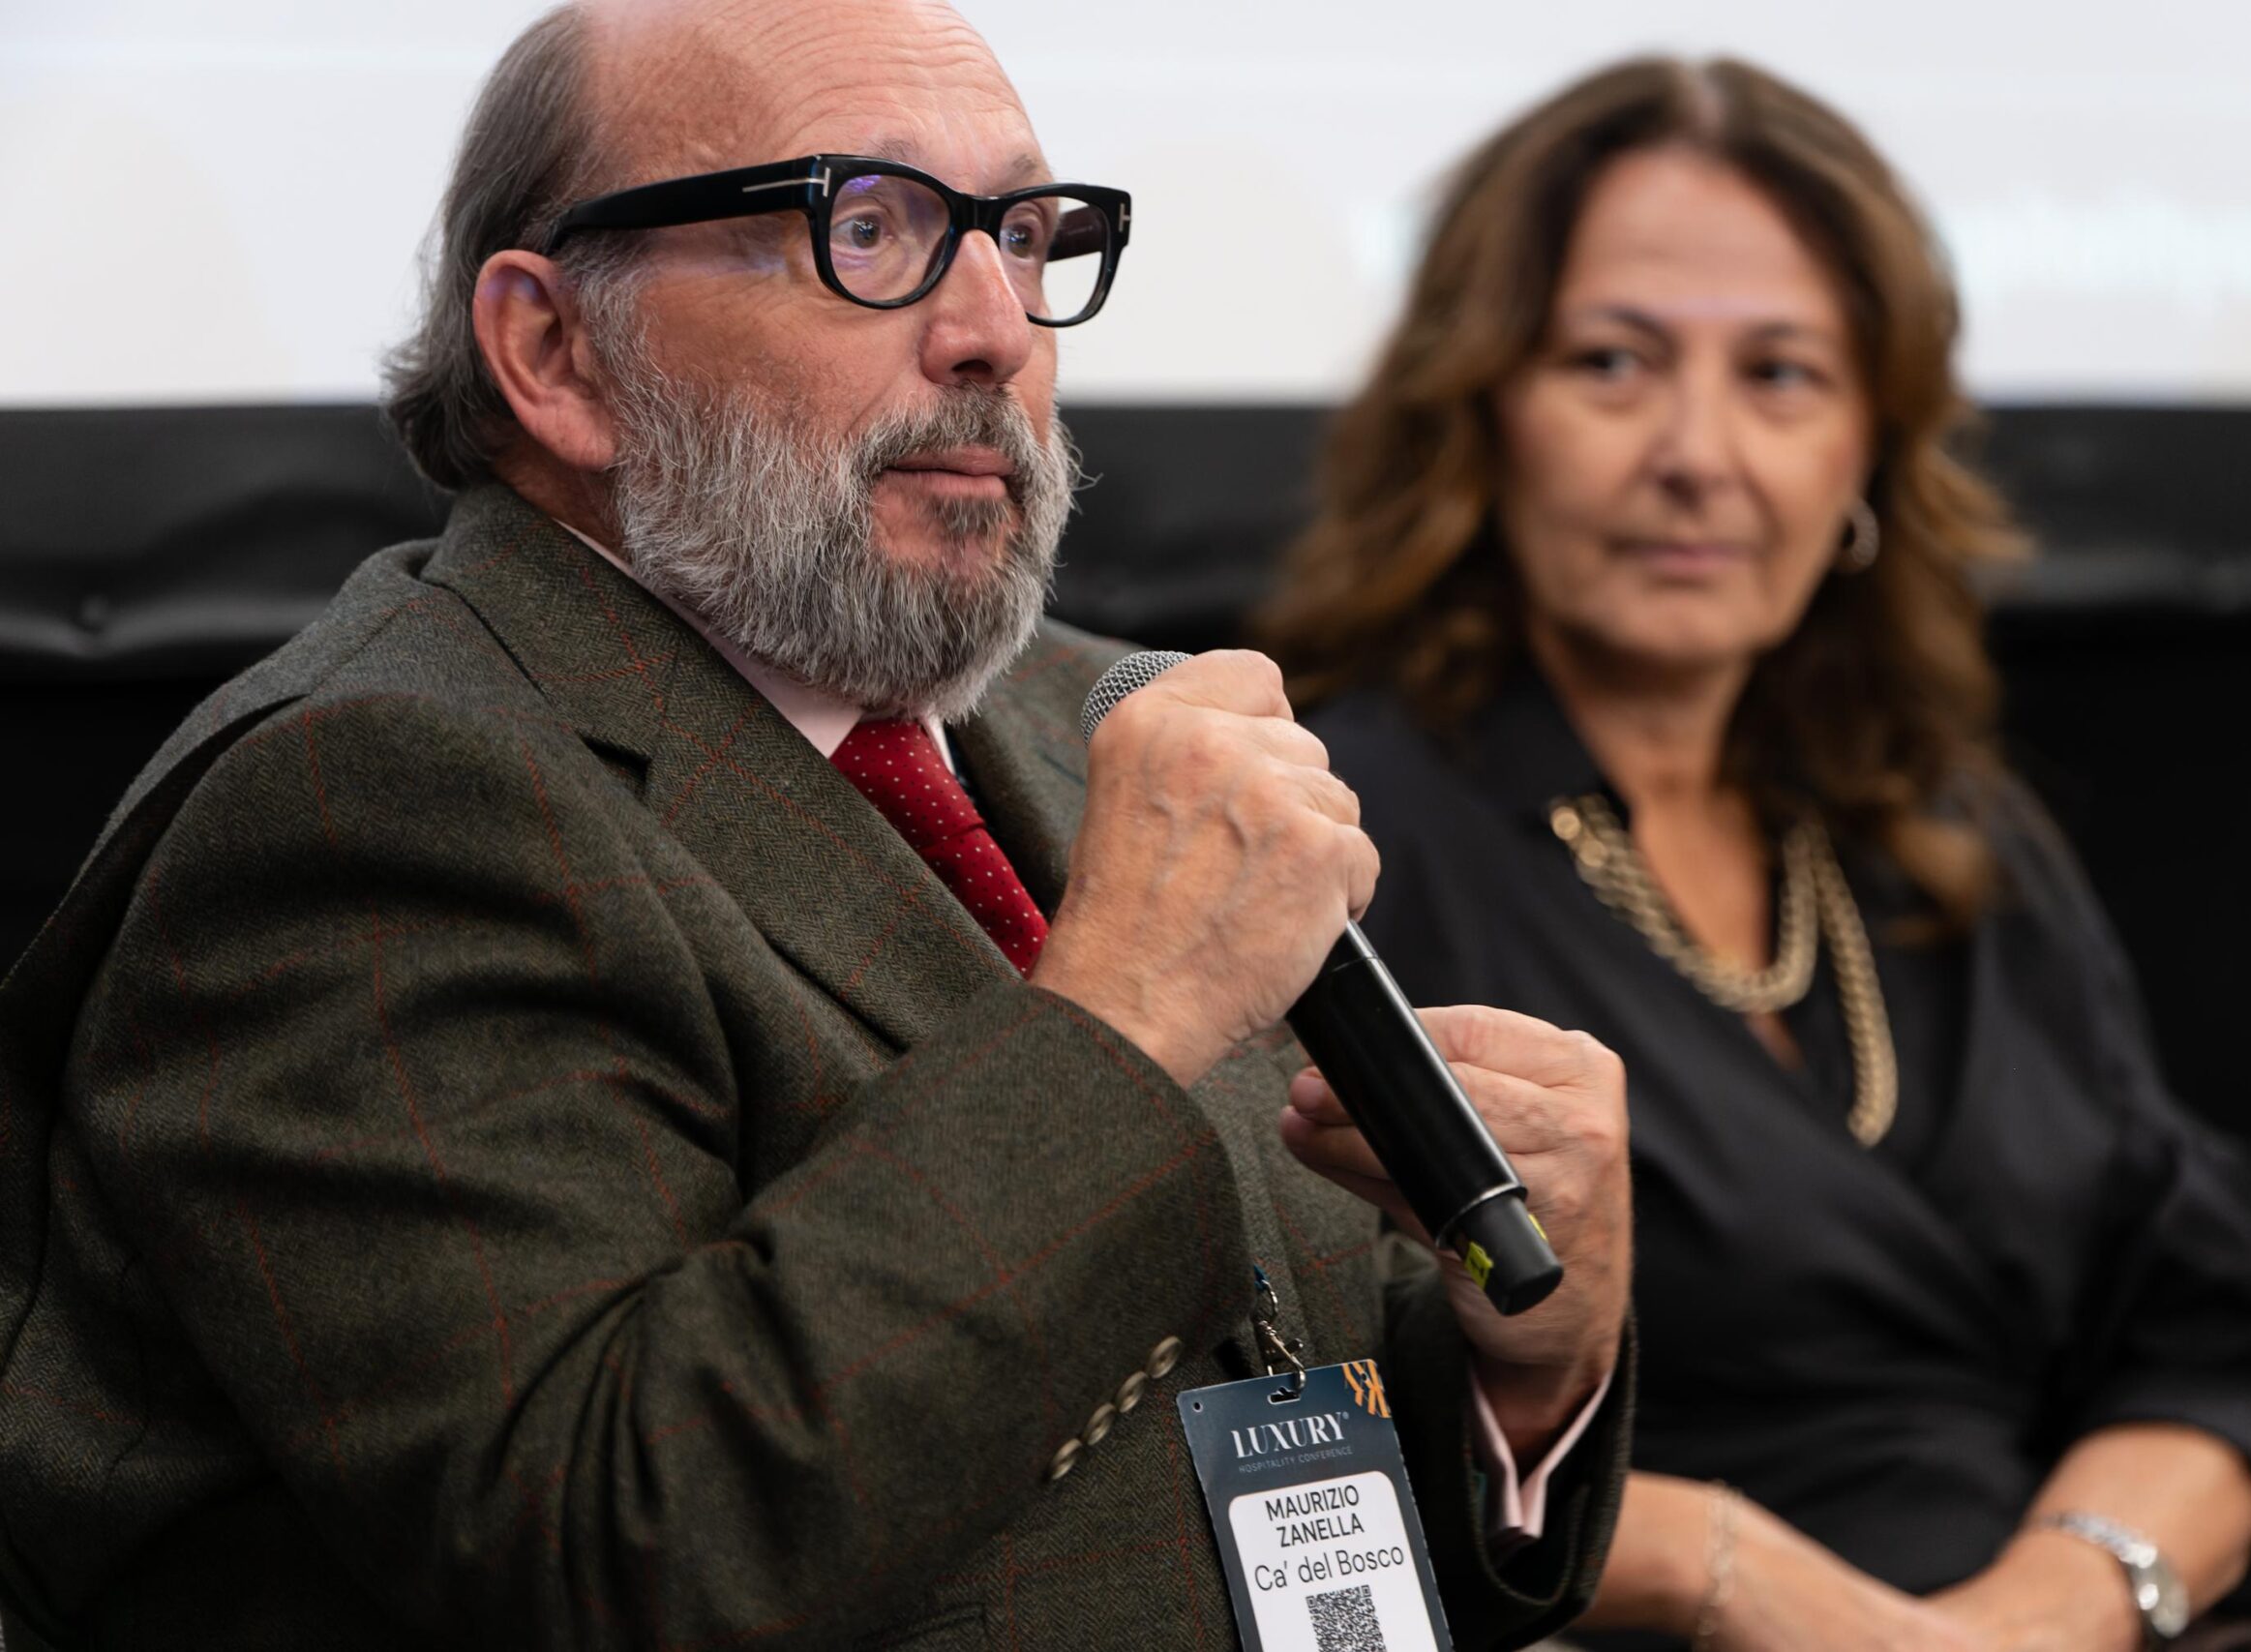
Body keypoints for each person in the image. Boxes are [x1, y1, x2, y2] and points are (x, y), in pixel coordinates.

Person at [0, 4, 1636, 1646]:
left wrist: (1530, 1367)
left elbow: (1266, 1381)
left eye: (1024, 236)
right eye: (868, 230)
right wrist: (1124, 1022)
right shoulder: (372, 803)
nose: (994, 331)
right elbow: (624, 1558)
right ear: (555, 352)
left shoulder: (1079, 719)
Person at [1262, 56, 2251, 1651]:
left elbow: (2216, 1337)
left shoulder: (1949, 831)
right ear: (1479, 419)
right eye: (1613, 363)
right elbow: (1287, 1431)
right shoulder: (1335, 836)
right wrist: (1731, 1572)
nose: (1700, 451)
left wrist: (2041, 1617)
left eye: (1782, 375)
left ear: (1869, 452)